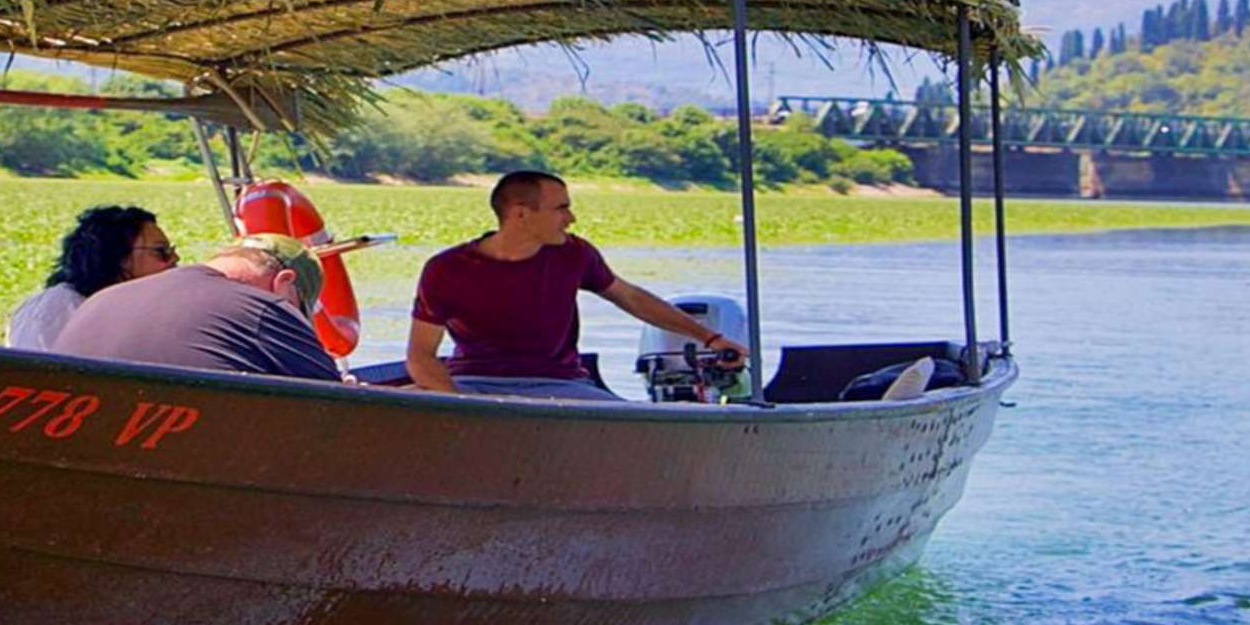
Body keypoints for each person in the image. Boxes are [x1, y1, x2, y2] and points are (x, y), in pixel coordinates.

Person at [406, 170, 749, 400]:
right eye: (561, 209)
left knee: (634, 428)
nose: (571, 219)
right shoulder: (446, 269)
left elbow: (630, 297)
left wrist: (710, 338)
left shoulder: (575, 254)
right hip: (473, 384)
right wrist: (465, 410)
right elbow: (421, 357)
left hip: (563, 386)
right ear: (521, 213)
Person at [52, 233, 341, 381]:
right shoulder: (265, 308)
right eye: (298, 307)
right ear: (285, 283)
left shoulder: (102, 298)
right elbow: (336, 408)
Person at [5, 205, 176, 350]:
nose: (175, 259)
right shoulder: (60, 306)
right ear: (117, 257)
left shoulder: (124, 308)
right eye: (161, 252)